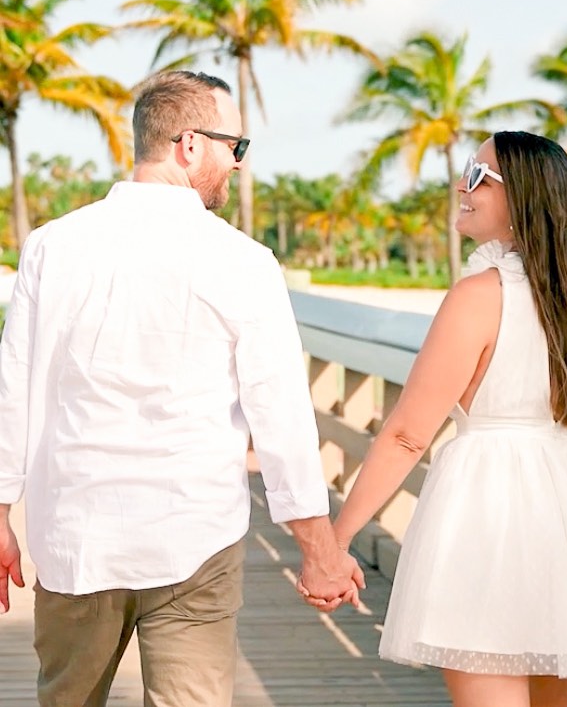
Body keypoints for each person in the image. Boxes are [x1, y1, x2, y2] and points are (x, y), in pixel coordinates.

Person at [0, 69, 364, 707]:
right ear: (190, 145)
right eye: (236, 146)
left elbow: (13, 389)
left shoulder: (50, 247)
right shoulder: (243, 261)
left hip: (77, 533)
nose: (239, 163)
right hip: (194, 536)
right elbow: (280, 416)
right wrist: (319, 550)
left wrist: (1, 512)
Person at [306, 131, 567, 707]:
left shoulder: (479, 296)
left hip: (490, 516)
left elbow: (408, 435)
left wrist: (335, 544)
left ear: (522, 198)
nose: (460, 187)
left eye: (477, 176)